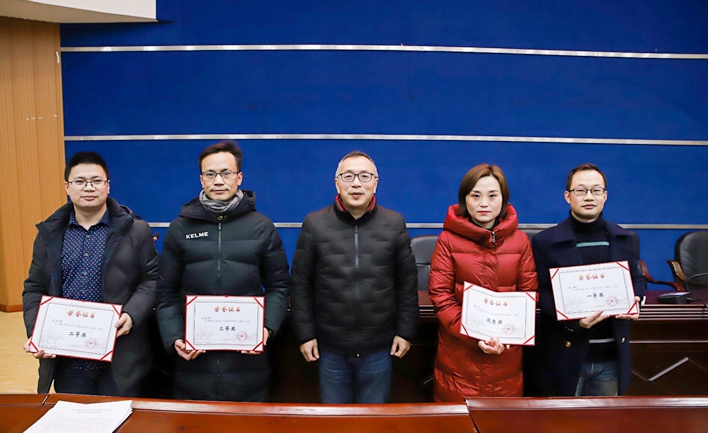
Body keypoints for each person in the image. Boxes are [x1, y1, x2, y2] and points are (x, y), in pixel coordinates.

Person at [156, 141, 290, 402]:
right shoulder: (180, 228)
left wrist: (266, 329)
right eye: (210, 174)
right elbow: (166, 293)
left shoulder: (262, 227)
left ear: (239, 177)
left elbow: (279, 287)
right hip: (194, 364)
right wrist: (175, 337)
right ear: (201, 179)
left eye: (226, 173)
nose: (218, 181)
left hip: (248, 364)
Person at [22, 151, 158, 396]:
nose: (89, 187)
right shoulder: (48, 234)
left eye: (96, 181)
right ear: (67, 186)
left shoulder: (136, 231)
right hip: (67, 359)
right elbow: (34, 288)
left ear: (108, 185)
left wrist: (132, 314)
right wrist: (36, 332)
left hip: (121, 358)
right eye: (80, 181)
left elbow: (151, 279)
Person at [290, 150, 418, 404]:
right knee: (335, 419)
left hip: (379, 345)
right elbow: (301, 283)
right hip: (330, 346)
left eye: (364, 176)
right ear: (337, 183)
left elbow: (407, 282)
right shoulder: (315, 224)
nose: (356, 183)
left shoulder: (394, 223)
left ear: (375, 183)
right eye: (348, 176)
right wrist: (305, 334)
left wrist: (406, 332)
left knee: (373, 419)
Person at [531, 163, 645, 396]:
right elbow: (541, 293)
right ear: (568, 196)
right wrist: (576, 323)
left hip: (611, 357)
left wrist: (636, 298)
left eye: (596, 190)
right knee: (563, 417)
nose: (589, 197)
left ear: (605, 196)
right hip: (566, 354)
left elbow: (637, 279)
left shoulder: (625, 238)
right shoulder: (545, 242)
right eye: (581, 190)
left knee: (605, 417)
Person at [428, 164, 537, 401]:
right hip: (459, 358)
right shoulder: (447, 240)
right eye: (476, 196)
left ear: (503, 200)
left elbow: (529, 294)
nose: (484, 203)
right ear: (465, 200)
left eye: (492, 196)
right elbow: (441, 297)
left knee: (503, 419)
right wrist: (474, 337)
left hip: (506, 357)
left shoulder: (520, 241)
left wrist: (507, 336)